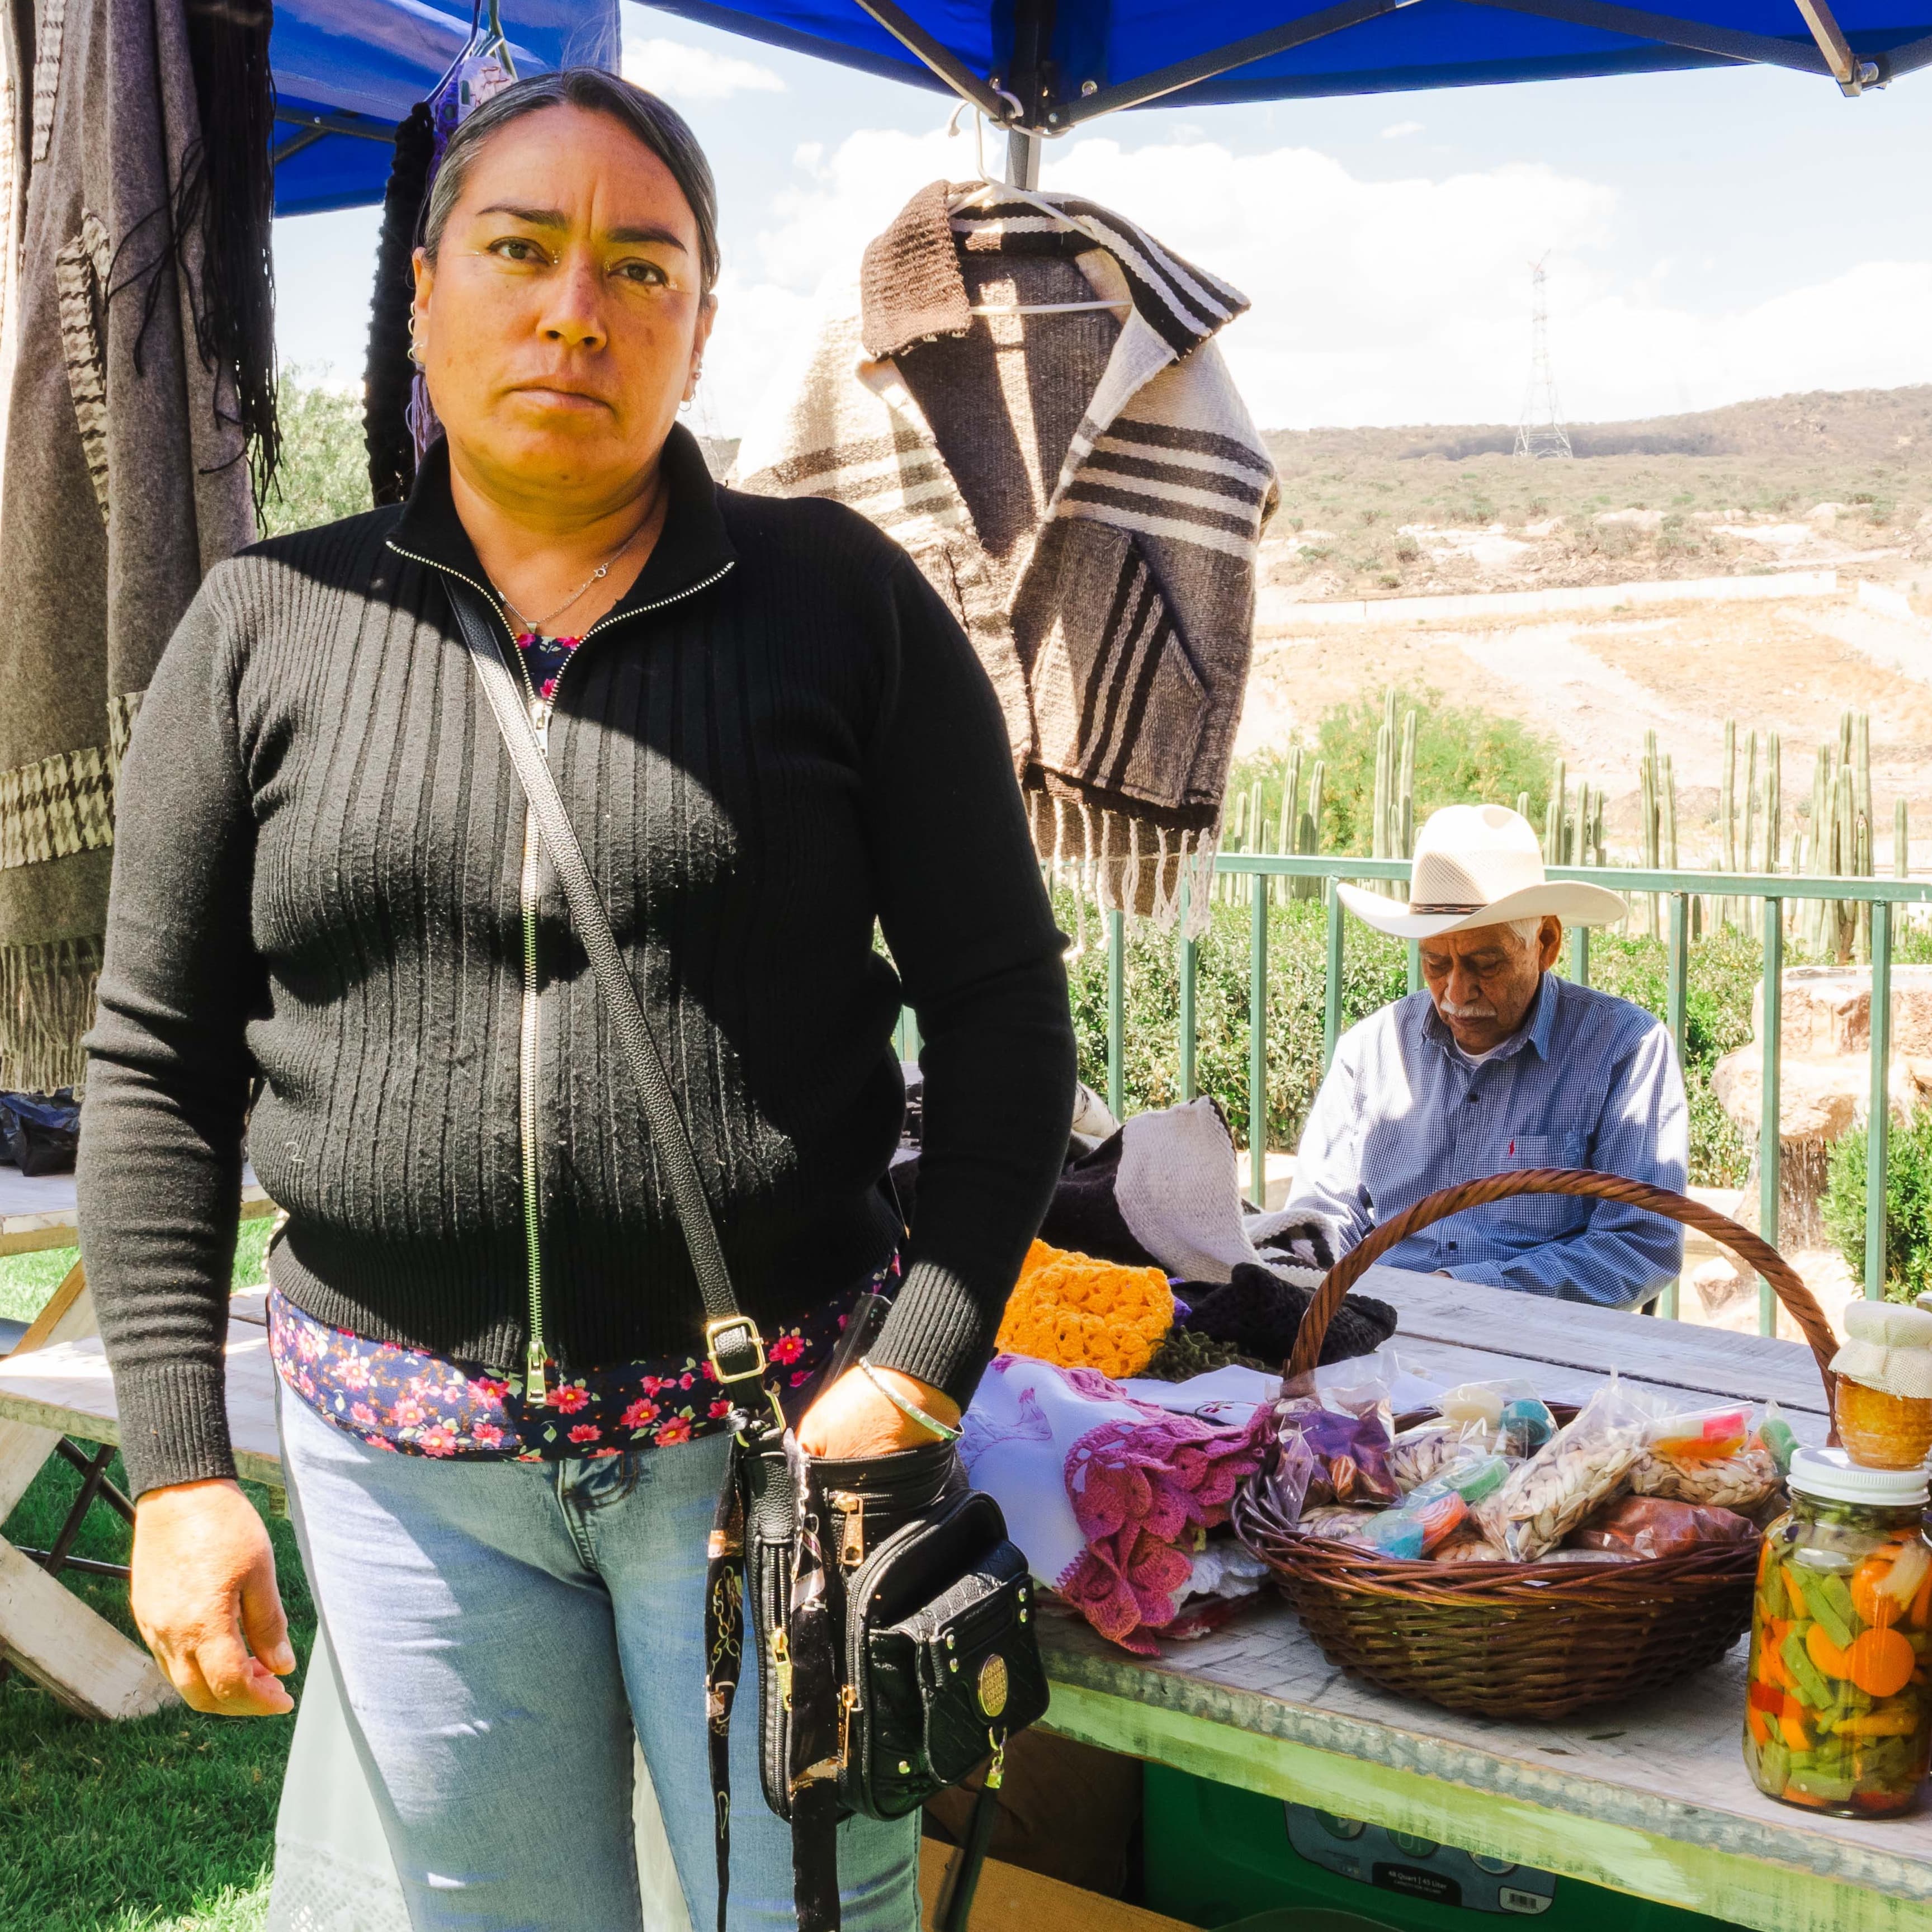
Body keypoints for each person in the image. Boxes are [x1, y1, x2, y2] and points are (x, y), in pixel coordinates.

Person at [77, 69, 1075, 1932]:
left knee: (797, 1917)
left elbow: (1005, 1010)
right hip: (407, 1479)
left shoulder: (841, 606)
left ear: (697, 321)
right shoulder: (262, 627)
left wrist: (916, 1359)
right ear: (425, 293)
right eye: (520, 249)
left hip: (768, 1462)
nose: (574, 309)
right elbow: (153, 1064)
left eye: (640, 265)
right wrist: (178, 1467)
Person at [1287, 803, 1687, 1306]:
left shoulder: (1624, 1047)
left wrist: (1469, 1292)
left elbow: (1640, 1244)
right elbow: (1320, 1218)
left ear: (1545, 943)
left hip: (1534, 1329)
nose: (1457, 992)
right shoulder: (1370, 1050)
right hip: (1375, 1319)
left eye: (1485, 963)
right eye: (1435, 963)